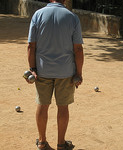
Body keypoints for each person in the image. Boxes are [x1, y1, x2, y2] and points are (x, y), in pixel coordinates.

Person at [26, 0, 84, 149]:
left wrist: (32, 69)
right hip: (65, 72)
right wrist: (79, 73)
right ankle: (61, 144)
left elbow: (31, 45)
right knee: (63, 107)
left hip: (42, 70)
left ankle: (42, 142)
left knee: (42, 105)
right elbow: (78, 49)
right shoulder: (72, 17)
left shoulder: (38, 15)